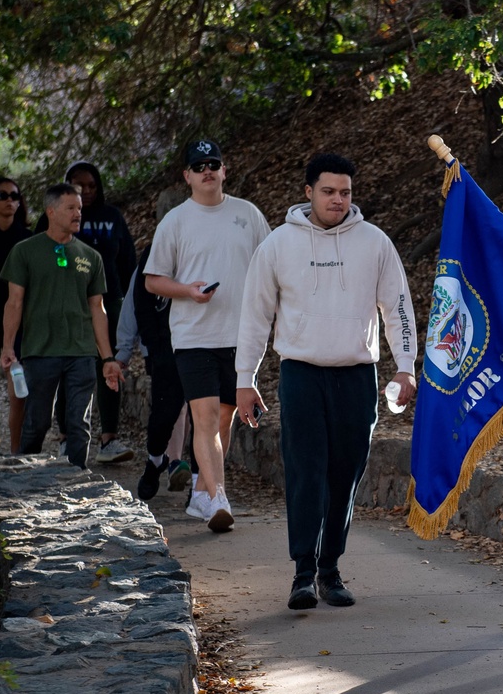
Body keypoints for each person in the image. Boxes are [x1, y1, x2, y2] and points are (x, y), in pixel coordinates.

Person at [235, 151, 416, 610]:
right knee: (304, 474)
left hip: (356, 375)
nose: (338, 200)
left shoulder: (374, 243)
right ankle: (302, 573)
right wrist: (244, 377)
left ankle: (330, 569)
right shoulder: (277, 245)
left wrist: (406, 366)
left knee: (344, 476)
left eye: (345, 193)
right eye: (329, 191)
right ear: (308, 193)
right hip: (301, 375)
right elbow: (254, 316)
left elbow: (398, 308)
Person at [144, 139, 270, 532]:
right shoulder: (176, 221)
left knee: (224, 420)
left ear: (224, 170)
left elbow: (271, 265)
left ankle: (201, 490)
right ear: (187, 176)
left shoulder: (248, 215)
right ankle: (219, 497)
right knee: (205, 417)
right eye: (199, 166)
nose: (207, 171)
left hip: (241, 337)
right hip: (193, 336)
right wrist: (188, 291)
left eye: (214, 163)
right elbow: (152, 281)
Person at [0, 183, 123, 467]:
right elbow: (14, 303)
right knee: (37, 422)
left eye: (79, 208)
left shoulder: (91, 257)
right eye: (71, 208)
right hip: (40, 352)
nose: (78, 213)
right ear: (51, 211)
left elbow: (97, 308)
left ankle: (75, 477)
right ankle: (24, 476)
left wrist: (107, 358)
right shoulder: (24, 251)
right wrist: (8, 345)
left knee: (79, 424)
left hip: (81, 352)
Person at [37, 162, 138, 463]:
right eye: (80, 186)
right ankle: (67, 438)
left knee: (109, 365)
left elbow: (128, 263)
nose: (88, 192)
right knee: (69, 366)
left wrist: (129, 301)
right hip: (67, 303)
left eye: (93, 186)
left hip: (110, 300)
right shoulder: (51, 218)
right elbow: (37, 255)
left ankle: (109, 440)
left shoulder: (112, 217)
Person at [115, 249, 192, 499]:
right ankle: (159, 459)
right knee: (172, 407)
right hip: (159, 346)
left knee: (200, 407)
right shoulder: (154, 255)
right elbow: (134, 303)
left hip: (197, 343)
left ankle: (189, 473)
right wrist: (123, 351)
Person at [0, 176, 30, 453]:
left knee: (18, 389)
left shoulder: (26, 240)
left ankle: (16, 451)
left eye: (15, 196)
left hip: (19, 321)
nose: (10, 201)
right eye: (2, 196)